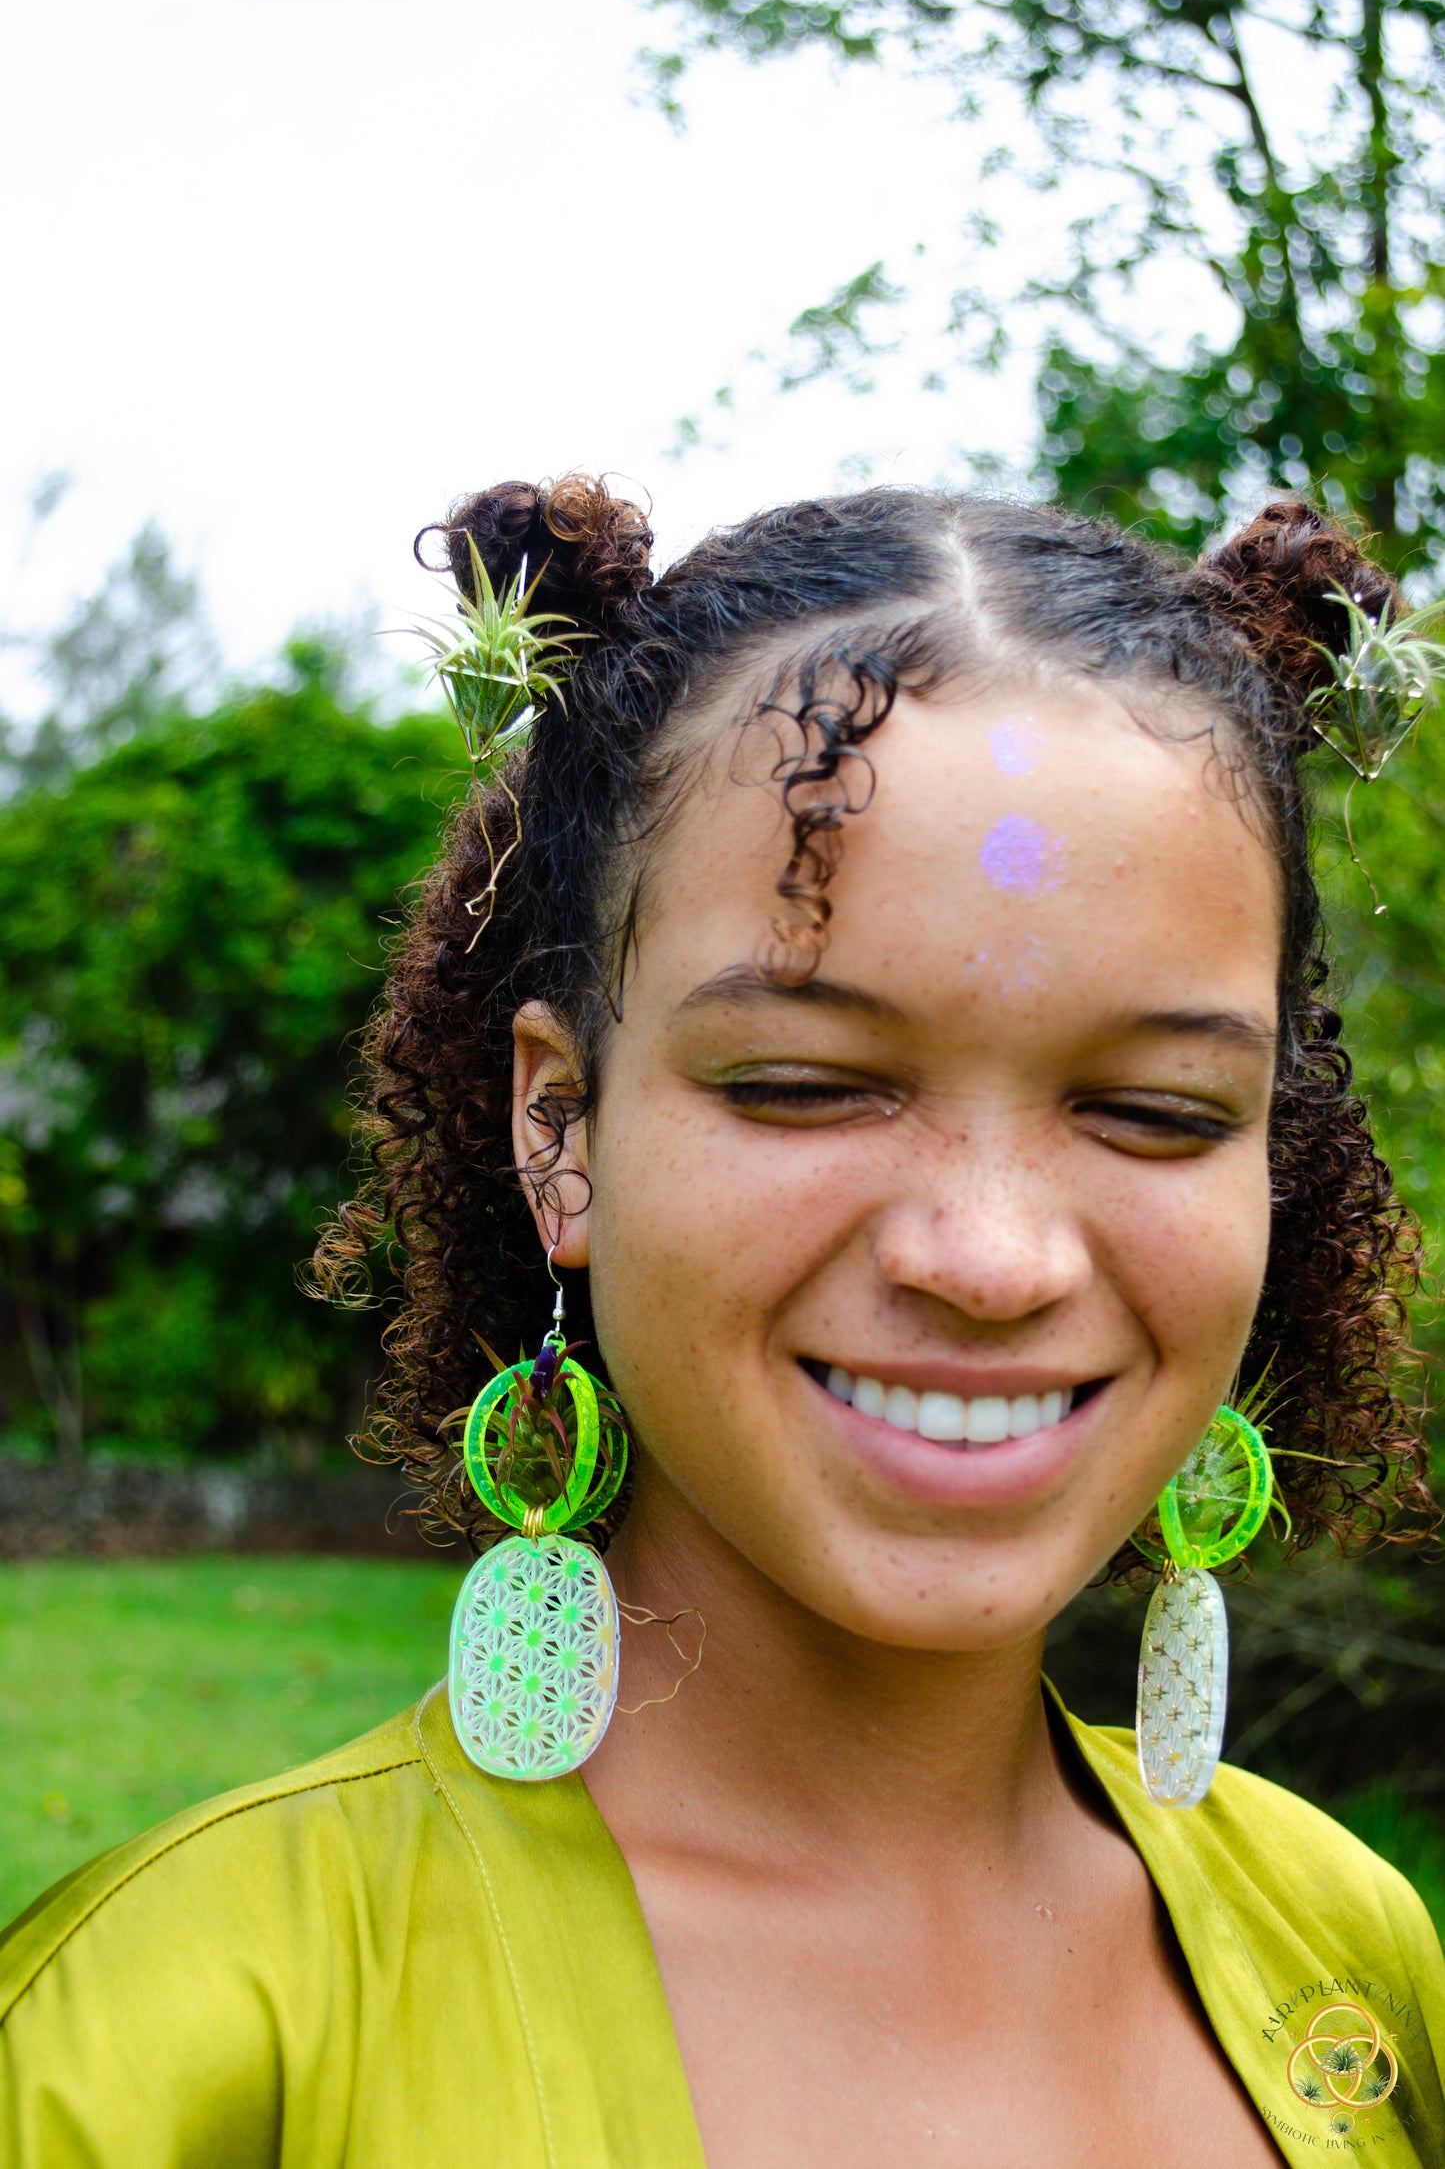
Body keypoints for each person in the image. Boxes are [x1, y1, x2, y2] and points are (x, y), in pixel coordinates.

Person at [1, 479, 1441, 2166]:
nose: (987, 1256)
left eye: (1156, 1110)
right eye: (806, 1085)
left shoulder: (1350, 1958)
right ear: (562, 1131)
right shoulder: (174, 2046)